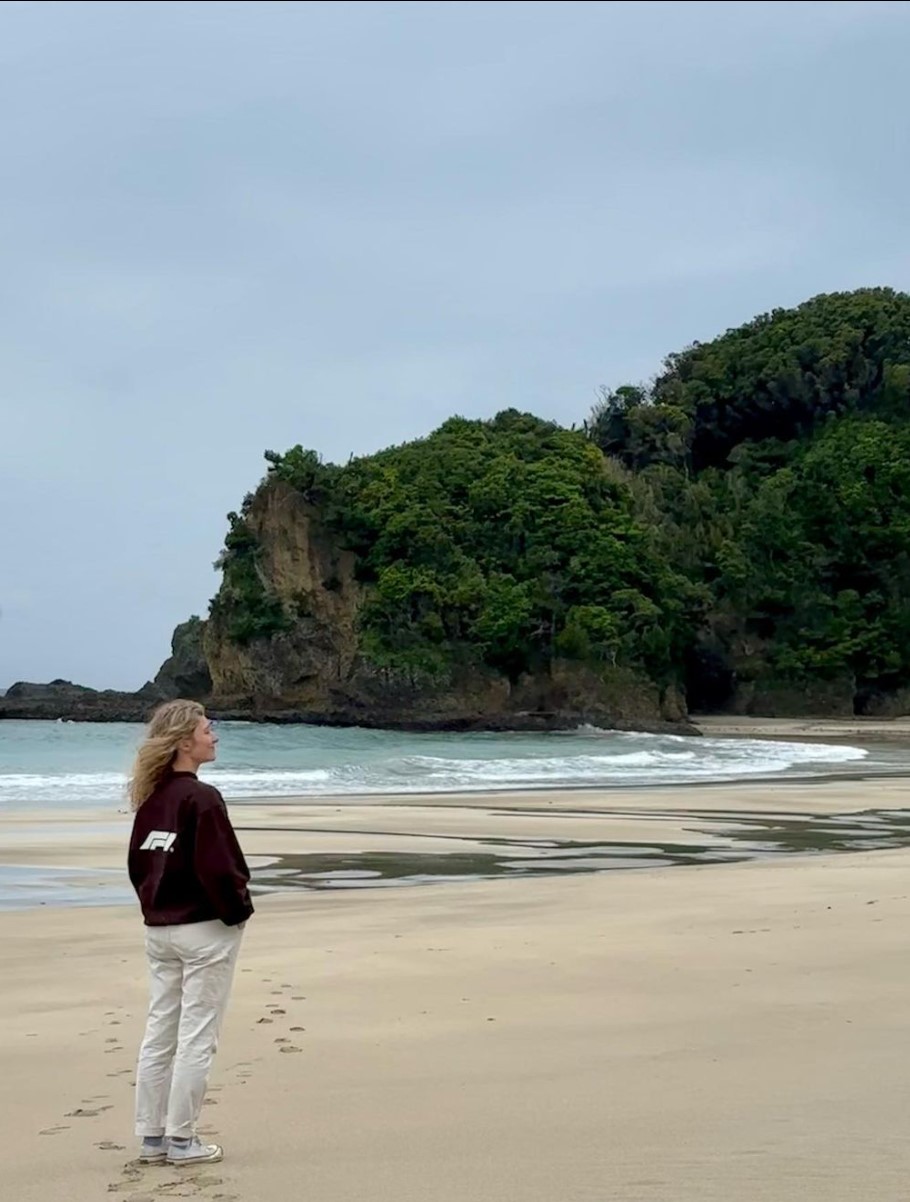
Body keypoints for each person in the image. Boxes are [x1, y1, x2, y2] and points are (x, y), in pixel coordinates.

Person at [127, 699, 254, 1167]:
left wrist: (154, 908)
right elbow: (221, 868)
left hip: (160, 930)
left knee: (160, 1031)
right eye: (206, 729)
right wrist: (238, 913)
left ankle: (152, 1138)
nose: (213, 736)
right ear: (184, 742)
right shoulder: (201, 798)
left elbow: (139, 865)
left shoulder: (152, 798)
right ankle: (182, 1140)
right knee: (198, 1035)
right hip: (203, 929)